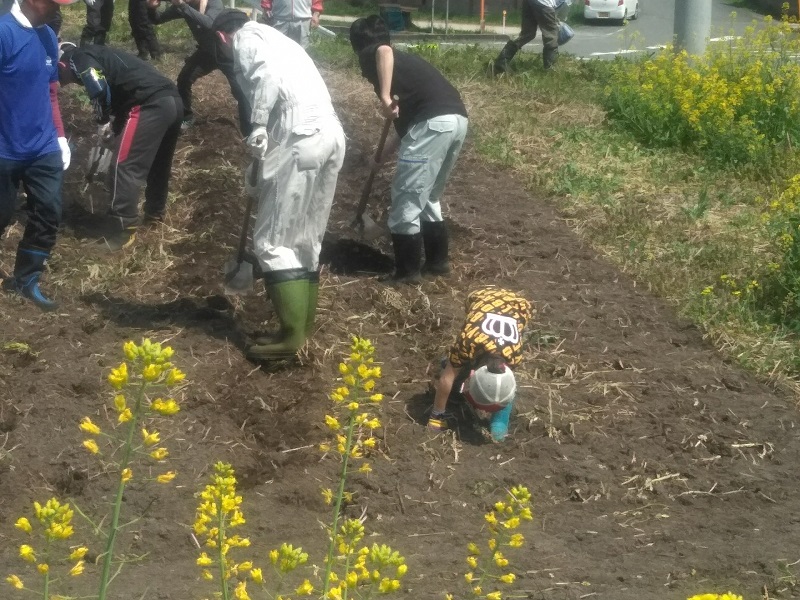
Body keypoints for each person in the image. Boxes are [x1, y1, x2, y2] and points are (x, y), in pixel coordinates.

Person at [212, 9, 345, 361]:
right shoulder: (284, 42)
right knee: (305, 238)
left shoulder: (246, 38)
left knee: (271, 241)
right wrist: (261, 163)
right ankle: (301, 332)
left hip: (298, 133)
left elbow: (266, 78)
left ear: (222, 36)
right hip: (330, 134)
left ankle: (288, 338)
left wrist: (256, 126)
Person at [350, 16, 468, 284]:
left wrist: (383, 96)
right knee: (427, 198)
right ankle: (437, 263)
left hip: (434, 123)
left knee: (406, 198)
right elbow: (406, 129)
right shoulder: (404, 68)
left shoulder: (374, 53)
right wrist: (382, 156)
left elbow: (382, 50)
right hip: (455, 121)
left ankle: (406, 273)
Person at [58, 42, 183, 250]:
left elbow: (97, 87)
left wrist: (102, 120)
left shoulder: (77, 58)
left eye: (60, 78)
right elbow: (121, 90)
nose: (63, 83)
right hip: (172, 101)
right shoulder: (102, 54)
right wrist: (114, 130)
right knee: (158, 164)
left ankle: (122, 230)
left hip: (149, 104)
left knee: (124, 166)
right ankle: (155, 214)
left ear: (61, 65)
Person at [1, 0, 76, 311]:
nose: (59, 9)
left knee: (48, 213)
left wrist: (59, 136)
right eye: (53, 3)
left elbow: (50, 92)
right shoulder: (4, 34)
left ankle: (27, 278)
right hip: (5, 147)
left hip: (43, 145)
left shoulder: (46, 35)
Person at [428, 287, 533, 442]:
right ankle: (455, 362)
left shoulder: (514, 354)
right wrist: (437, 416)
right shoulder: (468, 342)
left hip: (520, 306)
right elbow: (446, 378)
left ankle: (499, 422)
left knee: (465, 366)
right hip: (481, 297)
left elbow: (506, 385)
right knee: (453, 366)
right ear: (472, 375)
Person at [147, 0, 251, 134]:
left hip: (225, 53)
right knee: (184, 79)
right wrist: (151, 8)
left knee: (240, 91)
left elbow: (210, 24)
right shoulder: (183, 6)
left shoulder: (213, 3)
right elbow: (157, 19)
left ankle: (249, 130)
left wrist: (183, 7)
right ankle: (187, 116)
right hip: (207, 53)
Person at [491, 0, 560, 74]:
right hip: (544, 3)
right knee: (551, 36)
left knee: (527, 33)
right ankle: (550, 71)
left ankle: (502, 61)